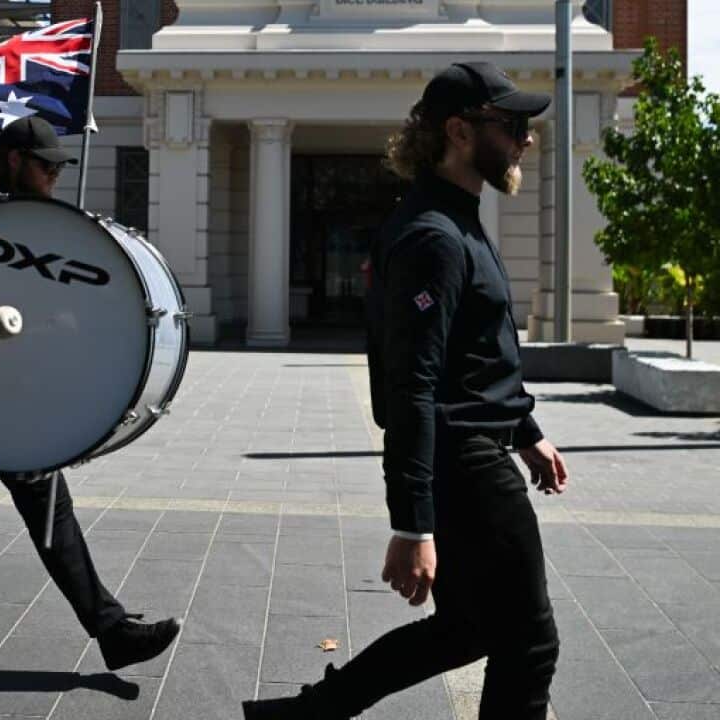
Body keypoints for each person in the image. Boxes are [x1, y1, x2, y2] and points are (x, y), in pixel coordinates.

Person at [242, 62, 568, 720]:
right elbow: (412, 385)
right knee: (529, 645)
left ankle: (309, 714)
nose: (527, 137)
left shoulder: (456, 219)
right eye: (511, 124)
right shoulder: (433, 237)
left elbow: (474, 353)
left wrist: (527, 432)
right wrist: (412, 522)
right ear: (459, 131)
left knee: (470, 628)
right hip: (466, 464)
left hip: (474, 449)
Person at [0, 115, 181, 670]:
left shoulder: (20, 221)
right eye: (46, 167)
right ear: (15, 161)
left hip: (7, 399)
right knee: (34, 514)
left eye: (59, 168)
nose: (55, 178)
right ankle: (112, 631)